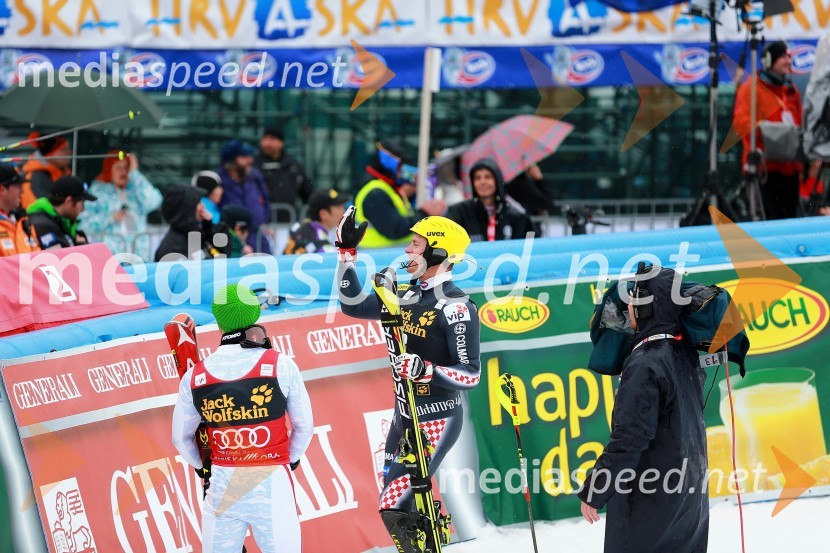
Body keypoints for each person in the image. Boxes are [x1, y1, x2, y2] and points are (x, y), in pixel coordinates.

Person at [335, 208, 480, 551]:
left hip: (437, 415)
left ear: (439, 253)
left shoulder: (456, 307)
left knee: (393, 506)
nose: (408, 252)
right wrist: (345, 253)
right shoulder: (408, 294)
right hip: (404, 413)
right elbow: (352, 306)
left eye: (416, 245)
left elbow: (471, 374)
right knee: (402, 507)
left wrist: (425, 369)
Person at [172, 283, 314, 553]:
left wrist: (203, 467)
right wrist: (291, 459)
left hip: (223, 483)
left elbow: (180, 438)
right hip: (272, 481)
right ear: (254, 316)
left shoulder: (196, 376)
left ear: (219, 321)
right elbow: (304, 427)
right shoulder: (280, 364)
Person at [578, 264, 708, 553]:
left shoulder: (645, 363)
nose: (628, 309)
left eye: (634, 301)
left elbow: (629, 439)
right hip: (689, 500)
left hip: (650, 503)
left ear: (649, 307)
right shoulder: (684, 353)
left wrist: (595, 489)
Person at [733, 40, 804, 220]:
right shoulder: (751, 88)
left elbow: (800, 124)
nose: (788, 61)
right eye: (782, 57)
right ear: (769, 61)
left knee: (790, 222)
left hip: (790, 169)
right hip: (764, 170)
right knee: (768, 222)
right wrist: (768, 133)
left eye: (789, 57)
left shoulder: (790, 90)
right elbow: (741, 123)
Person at [354, 141, 446, 248]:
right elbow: (393, 229)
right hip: (380, 258)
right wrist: (423, 213)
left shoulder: (386, 189)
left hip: (388, 257)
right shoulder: (375, 192)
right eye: (400, 167)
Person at [84, 152, 163, 257]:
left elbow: (155, 201)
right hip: (110, 259)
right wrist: (110, 218)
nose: (124, 172)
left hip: (138, 257)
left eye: (126, 167)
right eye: (118, 168)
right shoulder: (97, 192)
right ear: (109, 169)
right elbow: (83, 224)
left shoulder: (136, 189)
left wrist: (135, 174)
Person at [446, 158, 533, 241]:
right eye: (477, 178)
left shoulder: (514, 215)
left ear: (497, 181)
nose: (482, 182)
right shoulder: (459, 212)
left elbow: (527, 247)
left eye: (488, 177)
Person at [218, 140, 271, 254]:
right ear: (231, 161)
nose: (250, 160)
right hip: (234, 244)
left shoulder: (255, 177)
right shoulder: (220, 183)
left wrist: (265, 222)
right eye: (244, 157)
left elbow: (265, 202)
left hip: (258, 239)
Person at [255, 126, 313, 223]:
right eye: (265, 139)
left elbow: (307, 192)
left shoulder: (293, 165)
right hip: (263, 224)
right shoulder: (255, 165)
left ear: (281, 143)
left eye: (272, 139)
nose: (267, 143)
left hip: (289, 222)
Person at [154, 184, 225, 261]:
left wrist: (207, 226)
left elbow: (221, 255)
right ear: (188, 208)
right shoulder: (172, 247)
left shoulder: (194, 234)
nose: (203, 206)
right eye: (198, 203)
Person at [27, 175, 96, 249]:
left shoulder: (63, 222)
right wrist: (80, 246)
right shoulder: (41, 225)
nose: (83, 209)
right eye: (82, 203)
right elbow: (59, 258)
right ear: (69, 201)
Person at [283, 188, 350, 255]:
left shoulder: (299, 226)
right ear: (323, 214)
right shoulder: (325, 249)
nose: (344, 211)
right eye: (338, 208)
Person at [20, 132, 72, 209]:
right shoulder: (38, 177)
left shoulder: (58, 172)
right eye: (63, 150)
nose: (70, 152)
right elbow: (45, 210)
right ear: (50, 155)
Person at [0, 164, 39, 257]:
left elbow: (38, 259)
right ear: (2, 189)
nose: (22, 191)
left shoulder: (24, 222)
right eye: (18, 186)